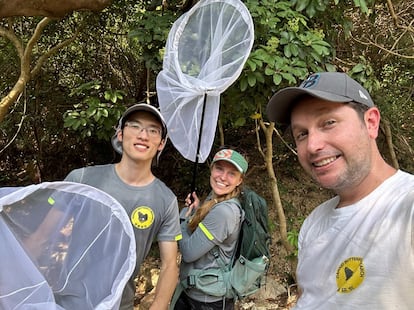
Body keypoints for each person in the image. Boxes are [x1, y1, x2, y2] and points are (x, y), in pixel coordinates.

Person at [266, 72, 414, 309]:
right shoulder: (313, 223)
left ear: (371, 123)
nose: (313, 146)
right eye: (302, 134)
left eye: (328, 123)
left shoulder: (407, 205)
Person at [65, 103, 182, 310]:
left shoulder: (165, 200)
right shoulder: (81, 179)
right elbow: (45, 235)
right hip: (66, 300)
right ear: (120, 134)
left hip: (119, 304)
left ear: (161, 143)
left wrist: (159, 304)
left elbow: (169, 264)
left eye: (153, 130)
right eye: (135, 126)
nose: (143, 135)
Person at [173, 148, 248, 310]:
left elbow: (188, 252)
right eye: (219, 168)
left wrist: (182, 219)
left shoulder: (224, 211)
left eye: (232, 173)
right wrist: (196, 209)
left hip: (206, 302)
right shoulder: (216, 199)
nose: (222, 177)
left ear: (240, 180)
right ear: (211, 169)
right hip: (198, 293)